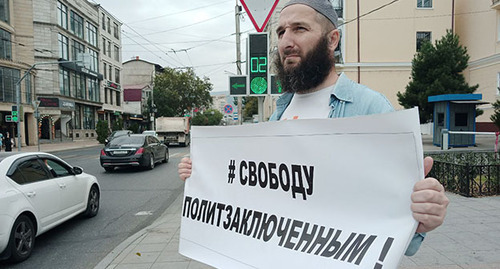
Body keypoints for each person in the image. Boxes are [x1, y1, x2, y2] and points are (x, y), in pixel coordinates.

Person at [178, 0, 449, 256]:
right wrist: (205, 173)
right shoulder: (280, 111)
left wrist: (422, 217)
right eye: (281, 31)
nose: (286, 41)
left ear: (332, 39)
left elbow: (401, 230)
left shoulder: (370, 108)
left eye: (299, 29)